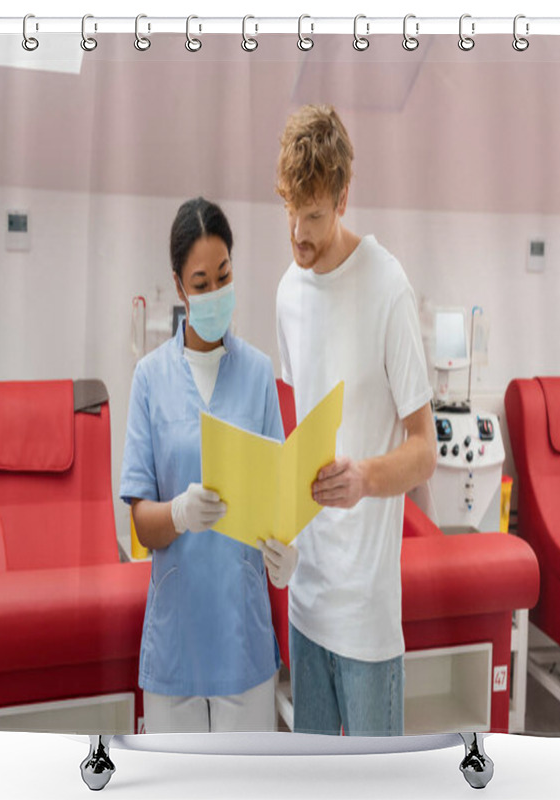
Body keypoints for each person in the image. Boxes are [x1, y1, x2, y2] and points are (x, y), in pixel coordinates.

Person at [275, 105, 437, 736]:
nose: (298, 234)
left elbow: (424, 450)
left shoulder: (387, 286)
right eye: (289, 211)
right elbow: (293, 435)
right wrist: (277, 527)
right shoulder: (289, 291)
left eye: (312, 215)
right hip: (304, 602)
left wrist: (365, 477)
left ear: (344, 198)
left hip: (366, 618)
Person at [120, 197, 298, 734]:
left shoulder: (259, 373)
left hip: (242, 637)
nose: (216, 293)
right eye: (201, 283)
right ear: (179, 287)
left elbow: (282, 499)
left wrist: (288, 551)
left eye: (224, 276)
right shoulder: (149, 379)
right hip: (176, 642)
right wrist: (176, 513)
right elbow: (139, 524)